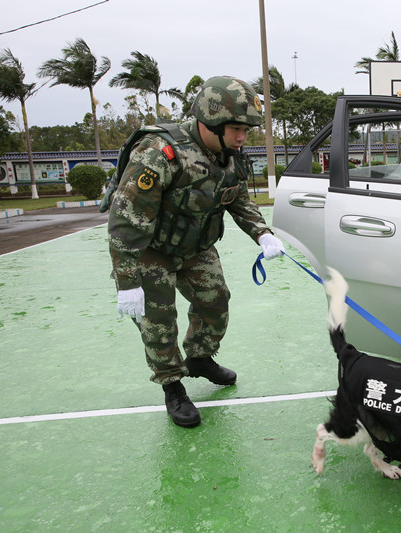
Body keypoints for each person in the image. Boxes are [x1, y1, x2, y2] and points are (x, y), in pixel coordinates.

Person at [107, 76, 285, 428]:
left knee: (215, 301)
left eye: (246, 130)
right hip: (151, 251)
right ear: (210, 121)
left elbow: (238, 199)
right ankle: (172, 385)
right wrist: (127, 281)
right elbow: (125, 220)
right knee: (159, 322)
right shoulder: (160, 152)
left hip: (195, 248)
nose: (242, 137)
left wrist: (262, 234)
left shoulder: (229, 156)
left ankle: (200, 358)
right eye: (236, 129)